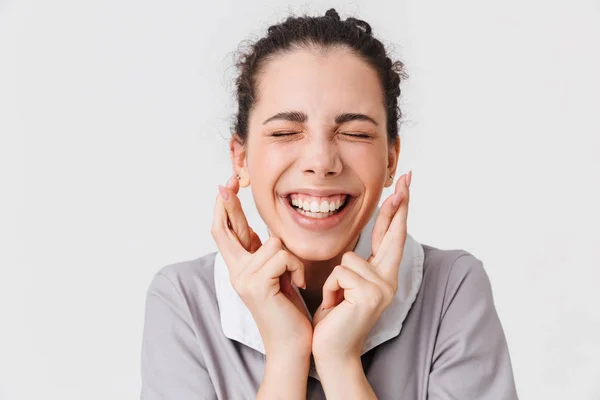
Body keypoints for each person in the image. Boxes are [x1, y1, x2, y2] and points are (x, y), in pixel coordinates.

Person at [140, 8, 518, 400]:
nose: (321, 163)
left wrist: (339, 361)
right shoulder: (184, 299)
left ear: (391, 159)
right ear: (240, 157)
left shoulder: (452, 288)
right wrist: (287, 353)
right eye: (286, 131)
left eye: (354, 132)